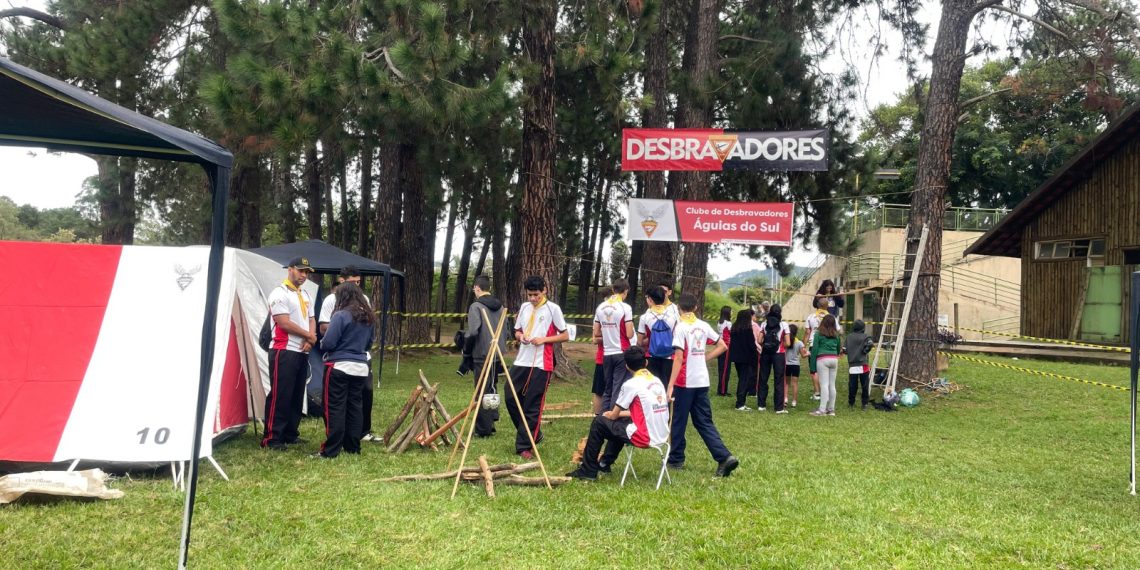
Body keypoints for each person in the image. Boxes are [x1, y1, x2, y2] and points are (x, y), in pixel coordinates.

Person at [566, 347, 670, 481]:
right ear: (646, 363)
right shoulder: (657, 381)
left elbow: (613, 415)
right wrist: (618, 415)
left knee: (599, 422)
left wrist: (608, 415)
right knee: (620, 424)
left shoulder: (631, 384)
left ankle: (588, 470)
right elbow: (642, 412)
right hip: (662, 434)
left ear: (627, 366)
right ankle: (604, 463)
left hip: (645, 437)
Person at [666, 294, 739, 477]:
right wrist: (705, 358)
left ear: (679, 309)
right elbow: (723, 345)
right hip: (702, 380)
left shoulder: (680, 327)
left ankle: (675, 459)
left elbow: (679, 358)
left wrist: (670, 384)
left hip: (685, 381)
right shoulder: (704, 325)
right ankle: (724, 456)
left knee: (678, 421)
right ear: (696, 307)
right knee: (704, 421)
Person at [507, 275, 569, 459]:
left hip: (542, 362)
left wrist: (543, 339)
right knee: (511, 396)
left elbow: (565, 335)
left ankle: (524, 446)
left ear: (544, 291)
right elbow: (517, 330)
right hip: (521, 360)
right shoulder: (525, 307)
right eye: (530, 295)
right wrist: (520, 337)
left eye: (536, 295)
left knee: (533, 404)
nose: (533, 298)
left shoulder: (553, 309)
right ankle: (531, 432)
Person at [261, 257, 317, 451]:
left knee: (296, 394)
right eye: (301, 271)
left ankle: (290, 433)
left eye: (307, 272)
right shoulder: (279, 293)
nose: (304, 275)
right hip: (283, 349)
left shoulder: (305, 294)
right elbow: (283, 322)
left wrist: (310, 339)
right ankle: (272, 437)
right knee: (280, 394)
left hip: (301, 350)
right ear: (290, 269)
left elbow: (311, 318)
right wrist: (309, 336)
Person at [319, 265, 379, 442]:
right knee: (354, 404)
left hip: (340, 363)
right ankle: (352, 445)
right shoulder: (367, 314)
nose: (357, 285)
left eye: (359, 282)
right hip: (359, 362)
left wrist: (328, 343)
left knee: (335, 405)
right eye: (354, 282)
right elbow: (369, 342)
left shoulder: (340, 315)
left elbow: (328, 342)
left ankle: (332, 446)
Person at [463, 275, 507, 437]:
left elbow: (473, 331)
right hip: (497, 353)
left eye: (474, 288)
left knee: (482, 389)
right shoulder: (501, 307)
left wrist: (466, 348)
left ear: (477, 288)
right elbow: (505, 330)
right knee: (491, 387)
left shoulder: (476, 306)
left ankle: (483, 429)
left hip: (482, 352)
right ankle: (491, 422)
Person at [596, 279, 635, 412]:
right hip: (621, 351)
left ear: (613, 290)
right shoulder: (625, 308)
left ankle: (602, 419)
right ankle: (612, 421)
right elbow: (630, 334)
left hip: (606, 353)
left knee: (608, 387)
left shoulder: (600, 307)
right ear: (626, 291)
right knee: (618, 388)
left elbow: (596, 332)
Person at [637, 286, 678, 383]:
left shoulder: (645, 317)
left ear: (650, 299)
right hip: (670, 356)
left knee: (653, 387)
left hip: (651, 356)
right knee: (667, 386)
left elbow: (639, 342)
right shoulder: (675, 316)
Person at [756, 304, 791, 414]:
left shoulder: (764, 323)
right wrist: (780, 344)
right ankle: (779, 407)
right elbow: (788, 343)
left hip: (765, 353)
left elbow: (759, 340)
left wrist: (767, 344)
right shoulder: (784, 324)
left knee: (763, 378)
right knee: (779, 379)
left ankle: (761, 405)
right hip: (779, 354)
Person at [809, 314, 842, 417]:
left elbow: (814, 350)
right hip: (834, 359)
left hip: (822, 359)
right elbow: (838, 349)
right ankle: (831, 410)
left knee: (824, 385)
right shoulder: (836, 335)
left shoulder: (818, 334)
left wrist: (812, 366)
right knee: (832, 385)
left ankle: (822, 410)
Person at [729, 309, 758, 411]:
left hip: (737, 358)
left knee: (741, 378)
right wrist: (755, 356)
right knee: (744, 380)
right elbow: (751, 345)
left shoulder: (734, 328)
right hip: (746, 358)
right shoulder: (747, 329)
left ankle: (740, 401)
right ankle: (740, 403)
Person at [845, 319, 874, 409]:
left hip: (852, 364)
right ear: (863, 328)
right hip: (863, 364)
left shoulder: (849, 337)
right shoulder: (865, 337)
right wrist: (865, 351)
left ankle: (851, 403)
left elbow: (844, 350)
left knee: (852, 385)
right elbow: (870, 343)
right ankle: (864, 403)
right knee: (864, 384)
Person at [804, 296, 829, 401]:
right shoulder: (831, 317)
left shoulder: (811, 317)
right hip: (827, 345)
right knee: (825, 370)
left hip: (813, 346)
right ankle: (826, 393)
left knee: (814, 370)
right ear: (826, 306)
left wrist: (803, 346)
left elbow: (807, 333)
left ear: (817, 305)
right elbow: (837, 331)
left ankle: (817, 393)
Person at [783, 324, 807, 408]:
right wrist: (808, 353)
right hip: (796, 365)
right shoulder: (799, 343)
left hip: (787, 365)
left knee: (786, 383)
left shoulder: (785, 342)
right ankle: (794, 401)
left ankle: (785, 399)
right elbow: (803, 355)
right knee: (795, 384)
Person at [715, 306, 733, 396]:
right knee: (726, 369)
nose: (732, 313)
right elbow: (730, 335)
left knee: (721, 368)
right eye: (731, 311)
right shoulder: (728, 323)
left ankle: (721, 389)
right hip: (726, 347)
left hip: (719, 345)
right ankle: (722, 390)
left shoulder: (719, 322)